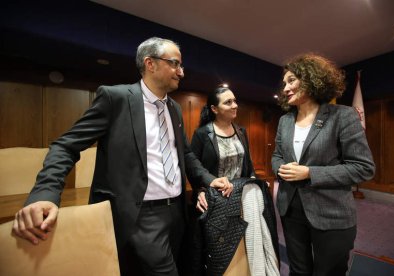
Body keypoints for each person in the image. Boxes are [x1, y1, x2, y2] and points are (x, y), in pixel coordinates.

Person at [12, 37, 231, 276]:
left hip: (176, 214)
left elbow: (185, 155)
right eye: (175, 63)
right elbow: (65, 146)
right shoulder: (115, 99)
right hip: (139, 216)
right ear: (150, 63)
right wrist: (44, 193)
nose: (181, 71)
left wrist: (208, 179)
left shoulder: (174, 108)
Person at [272, 53, 375, 276]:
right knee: (298, 271)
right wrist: (280, 168)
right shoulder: (285, 120)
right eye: (284, 84)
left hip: (331, 212)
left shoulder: (343, 116)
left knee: (329, 272)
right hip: (290, 209)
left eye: (291, 80)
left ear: (311, 79)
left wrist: (309, 173)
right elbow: (276, 156)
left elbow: (363, 167)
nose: (286, 88)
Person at [190, 87, 279, 275]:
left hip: (243, 198)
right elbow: (193, 167)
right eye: (228, 102)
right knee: (223, 254)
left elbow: (248, 163)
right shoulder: (202, 134)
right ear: (214, 109)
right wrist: (200, 191)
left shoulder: (241, 131)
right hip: (217, 200)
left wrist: (255, 182)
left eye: (235, 101)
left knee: (247, 245)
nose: (235, 105)